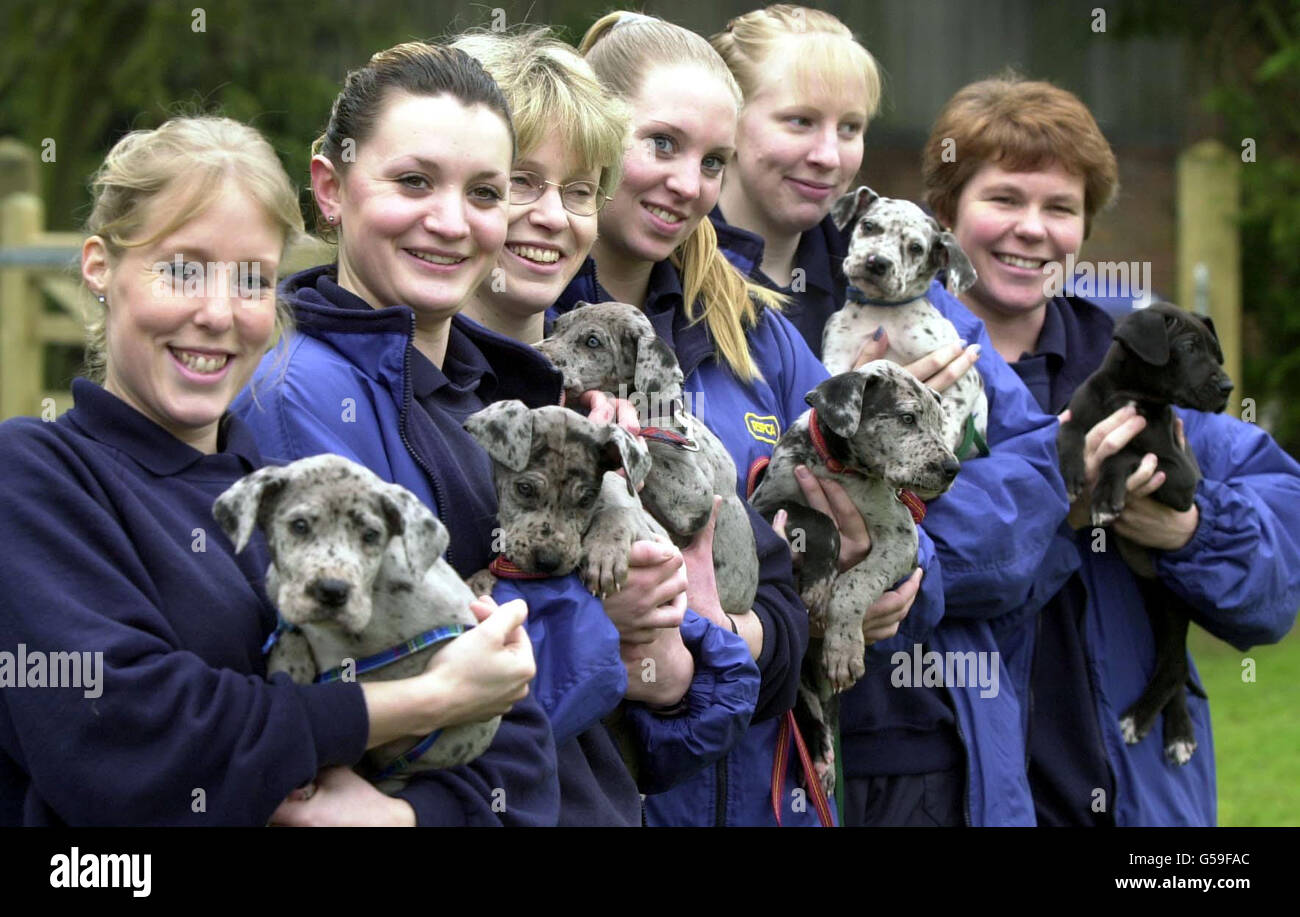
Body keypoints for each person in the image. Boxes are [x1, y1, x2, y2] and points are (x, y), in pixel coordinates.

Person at [234, 38, 754, 826]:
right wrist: (602, 623)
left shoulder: (502, 386)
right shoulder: (303, 396)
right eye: (414, 181)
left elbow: (660, 718)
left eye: (482, 192)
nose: (450, 222)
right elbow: (399, 690)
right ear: (330, 189)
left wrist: (686, 654)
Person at [0, 116, 539, 826]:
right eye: (183, 269)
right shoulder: (39, 476)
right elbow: (124, 733)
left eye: (251, 279)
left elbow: (517, 741)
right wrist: (421, 702)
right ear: (100, 266)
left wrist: (405, 818)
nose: (218, 313)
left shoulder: (303, 489)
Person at [709, 6, 1072, 826]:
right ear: (724, 119)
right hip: (757, 730)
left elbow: (1038, 481)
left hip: (931, 737)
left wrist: (911, 564)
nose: (829, 154)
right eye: (799, 120)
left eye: (851, 126)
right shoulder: (682, 300)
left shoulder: (916, 293)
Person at [922, 73, 1300, 825]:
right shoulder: (893, 368)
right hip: (954, 783)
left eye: (1061, 208)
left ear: (1085, 229)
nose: (1033, 228)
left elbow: (1278, 573)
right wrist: (1058, 499)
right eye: (1003, 199)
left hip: (1137, 797)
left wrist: (1191, 531)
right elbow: (915, 564)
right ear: (944, 211)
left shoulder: (1139, 359)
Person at [451, 26, 759, 823]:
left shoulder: (597, 373)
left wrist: (713, 644)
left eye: (578, 190)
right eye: (517, 183)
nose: (549, 215)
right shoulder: (446, 391)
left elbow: (769, 577)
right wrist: (616, 625)